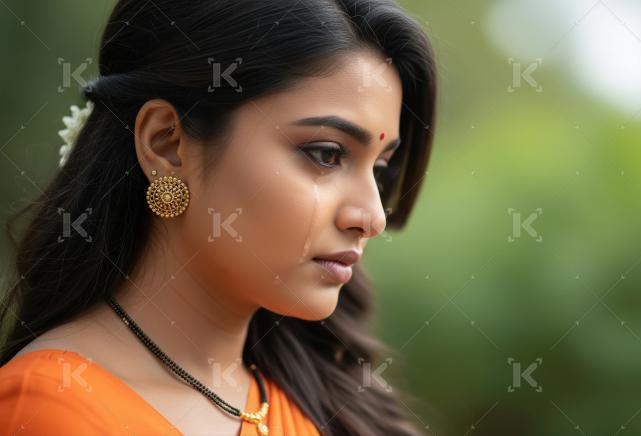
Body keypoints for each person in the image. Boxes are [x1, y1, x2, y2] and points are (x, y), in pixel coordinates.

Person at [0, 0, 437, 434]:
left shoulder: (322, 405)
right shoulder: (54, 410)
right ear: (167, 144)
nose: (373, 217)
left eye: (378, 169)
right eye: (327, 154)